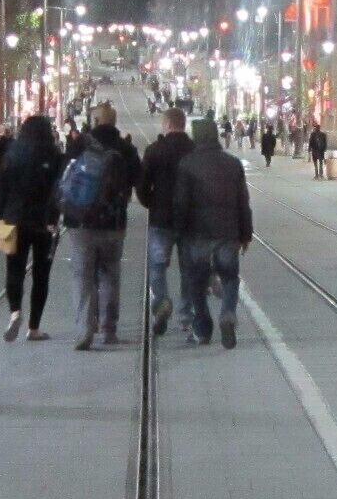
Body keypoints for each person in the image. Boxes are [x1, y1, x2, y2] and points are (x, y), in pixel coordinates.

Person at [60, 102, 141, 351]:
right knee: (110, 274)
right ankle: (108, 329)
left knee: (82, 276)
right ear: (114, 122)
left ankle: (85, 331)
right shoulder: (125, 148)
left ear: (94, 122)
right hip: (114, 222)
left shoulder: (79, 145)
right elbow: (139, 179)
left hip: (81, 222)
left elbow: (63, 178)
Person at [170, 118, 252, 348]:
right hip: (227, 233)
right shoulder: (232, 164)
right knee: (229, 277)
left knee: (196, 282)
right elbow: (243, 202)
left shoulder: (187, 164)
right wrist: (246, 233)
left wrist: (178, 232)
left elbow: (181, 203)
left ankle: (203, 328)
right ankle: (227, 313)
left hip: (197, 235)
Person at [0, 115, 65, 342]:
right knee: (41, 275)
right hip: (44, 222)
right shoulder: (53, 154)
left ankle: (15, 312)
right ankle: (34, 328)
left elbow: (0, 189)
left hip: (15, 220)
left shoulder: (12, 152)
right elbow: (59, 189)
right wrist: (55, 216)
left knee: (14, 269)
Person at [139, 107, 196, 337]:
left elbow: (141, 185)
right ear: (183, 124)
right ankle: (186, 317)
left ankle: (162, 302)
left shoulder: (155, 150)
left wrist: (151, 202)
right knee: (188, 270)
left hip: (161, 218)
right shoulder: (194, 151)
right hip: (189, 220)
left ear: (168, 124)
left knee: (157, 266)